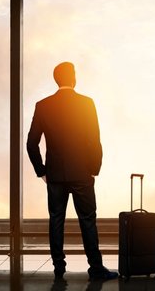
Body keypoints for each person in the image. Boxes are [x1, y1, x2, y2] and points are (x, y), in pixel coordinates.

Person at [27, 61, 118, 281]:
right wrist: (94, 168)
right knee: (87, 220)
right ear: (73, 78)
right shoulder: (86, 104)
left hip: (55, 175)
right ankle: (95, 268)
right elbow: (94, 139)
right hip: (82, 173)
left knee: (56, 220)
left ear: (56, 79)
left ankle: (59, 268)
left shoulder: (43, 105)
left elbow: (31, 143)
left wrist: (42, 171)